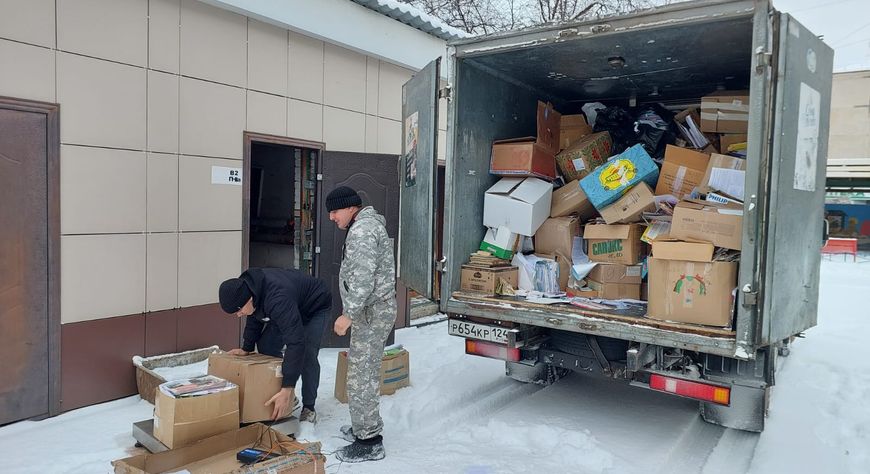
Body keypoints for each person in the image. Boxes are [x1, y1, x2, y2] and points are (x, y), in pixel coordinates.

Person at [326, 186, 396, 463]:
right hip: (373, 311)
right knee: (361, 372)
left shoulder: (362, 231)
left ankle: (369, 441)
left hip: (370, 312)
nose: (332, 217)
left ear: (351, 207)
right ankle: (361, 427)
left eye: (335, 211)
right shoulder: (366, 225)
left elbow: (364, 280)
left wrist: (348, 314)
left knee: (360, 377)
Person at [218, 267, 331, 423]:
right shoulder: (248, 288)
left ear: (249, 299)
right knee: (267, 346)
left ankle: (308, 407)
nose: (238, 315)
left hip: (315, 306)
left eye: (239, 310)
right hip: (291, 304)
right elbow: (254, 316)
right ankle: (281, 393)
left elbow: (296, 343)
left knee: (306, 354)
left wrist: (288, 387)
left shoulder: (277, 299)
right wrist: (247, 348)